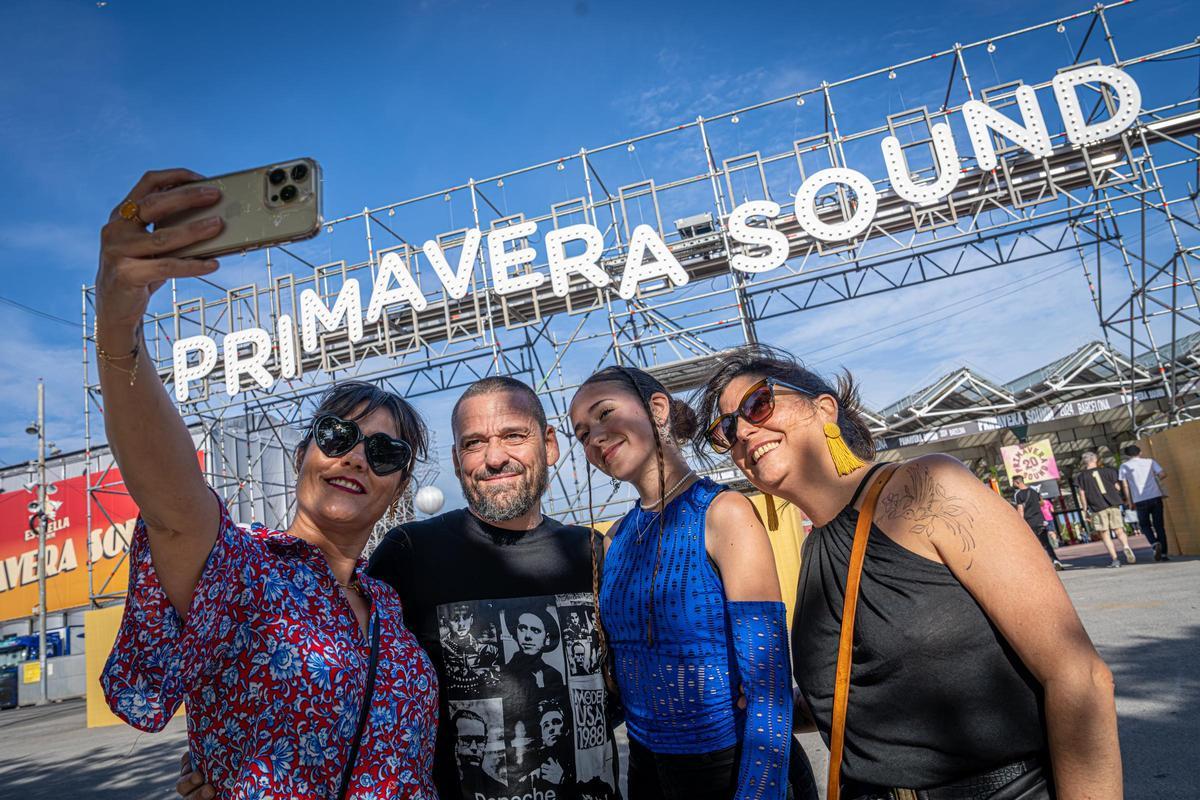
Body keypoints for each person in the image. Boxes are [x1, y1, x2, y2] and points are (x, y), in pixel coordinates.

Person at [97, 170, 437, 798]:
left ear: (399, 486)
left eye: (385, 452)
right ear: (306, 452)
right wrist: (118, 331)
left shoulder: (390, 605)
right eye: (338, 436)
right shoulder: (240, 566)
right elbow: (173, 501)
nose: (357, 458)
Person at [694, 344, 1121, 800]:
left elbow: (1079, 677)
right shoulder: (816, 548)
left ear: (824, 410)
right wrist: (777, 704)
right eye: (726, 430)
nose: (742, 430)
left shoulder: (927, 487)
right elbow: (876, 691)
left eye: (758, 403)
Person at [176, 375, 619, 800]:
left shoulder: (592, 554)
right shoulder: (409, 552)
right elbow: (339, 679)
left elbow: (626, 693)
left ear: (550, 444)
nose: (495, 457)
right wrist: (224, 756)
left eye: (513, 435)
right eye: (474, 443)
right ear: (456, 461)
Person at [570, 366, 800, 800]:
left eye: (605, 414)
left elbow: (769, 687)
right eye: (582, 434)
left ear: (657, 408)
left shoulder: (723, 512)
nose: (595, 438)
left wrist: (759, 791)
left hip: (728, 768)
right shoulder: (615, 538)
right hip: (646, 770)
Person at [1075, 452, 1136, 568]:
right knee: (1119, 530)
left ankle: (1115, 559)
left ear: (1084, 462)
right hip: (1113, 504)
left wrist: (1085, 510)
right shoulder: (1109, 471)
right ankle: (1126, 546)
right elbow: (1118, 487)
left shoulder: (1081, 477)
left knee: (1105, 534)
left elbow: (1082, 494)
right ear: (1096, 459)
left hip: (1097, 507)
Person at [1119, 444, 1171, 561]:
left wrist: (1129, 501)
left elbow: (1125, 485)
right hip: (1155, 497)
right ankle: (1164, 554)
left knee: (1144, 525)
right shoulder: (1150, 461)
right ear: (1140, 452)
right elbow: (1163, 474)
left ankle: (1154, 544)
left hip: (1140, 500)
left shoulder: (1124, 466)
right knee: (1159, 526)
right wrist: (1153, 480)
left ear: (1127, 455)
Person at [1011, 476, 1066, 570]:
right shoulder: (1034, 491)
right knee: (1046, 543)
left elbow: (1020, 509)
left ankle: (1040, 566)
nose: (1013, 484)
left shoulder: (1018, 494)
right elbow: (1042, 504)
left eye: (1013, 483)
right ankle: (1056, 561)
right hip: (1040, 521)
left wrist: (1020, 523)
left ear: (1017, 482)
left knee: (1032, 545)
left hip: (1029, 522)